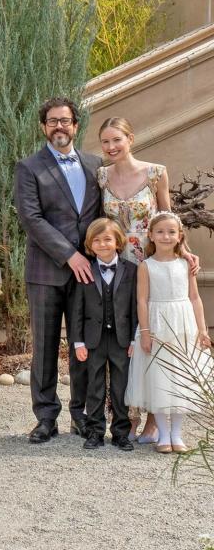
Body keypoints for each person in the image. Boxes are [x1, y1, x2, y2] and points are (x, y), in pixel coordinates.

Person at [96, 116, 200, 444]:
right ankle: (125, 415)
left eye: (117, 140)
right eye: (106, 142)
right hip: (115, 269)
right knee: (123, 338)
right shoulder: (100, 176)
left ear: (130, 139)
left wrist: (185, 253)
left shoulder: (155, 172)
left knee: (154, 337)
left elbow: (169, 220)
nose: (112, 147)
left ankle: (154, 420)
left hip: (149, 265)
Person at [14, 97, 102, 444]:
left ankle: (81, 415)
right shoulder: (29, 167)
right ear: (43, 127)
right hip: (47, 271)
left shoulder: (96, 166)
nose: (59, 127)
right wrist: (70, 255)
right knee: (45, 346)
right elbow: (31, 218)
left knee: (83, 345)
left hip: (90, 273)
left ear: (76, 126)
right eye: (52, 121)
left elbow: (104, 216)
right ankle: (46, 416)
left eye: (65, 121)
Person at [135, 212, 210, 453]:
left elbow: (195, 298)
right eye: (160, 232)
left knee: (182, 379)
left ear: (180, 236)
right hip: (157, 325)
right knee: (159, 377)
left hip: (183, 324)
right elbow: (142, 301)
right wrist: (145, 332)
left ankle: (177, 434)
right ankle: (163, 435)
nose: (166, 236)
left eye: (171, 232)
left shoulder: (186, 264)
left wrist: (202, 330)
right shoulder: (146, 266)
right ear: (150, 235)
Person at [68, 218, 137, 451]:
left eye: (107, 239)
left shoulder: (131, 270)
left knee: (120, 387)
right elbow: (77, 308)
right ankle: (95, 431)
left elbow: (135, 308)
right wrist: (78, 341)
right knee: (94, 387)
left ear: (118, 242)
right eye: (96, 240)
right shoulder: (85, 269)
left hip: (121, 339)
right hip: (92, 340)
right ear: (89, 244)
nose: (102, 244)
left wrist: (134, 338)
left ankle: (120, 433)